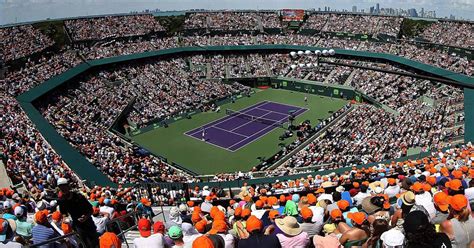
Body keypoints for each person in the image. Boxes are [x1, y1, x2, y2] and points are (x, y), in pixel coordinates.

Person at [57, 178, 98, 247]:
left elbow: (91, 210)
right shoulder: (62, 201)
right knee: (86, 244)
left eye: (64, 186)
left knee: (95, 242)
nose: (63, 189)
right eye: (61, 187)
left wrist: (86, 217)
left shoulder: (79, 197)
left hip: (88, 223)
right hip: (78, 226)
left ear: (68, 186)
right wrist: (66, 218)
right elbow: (63, 213)